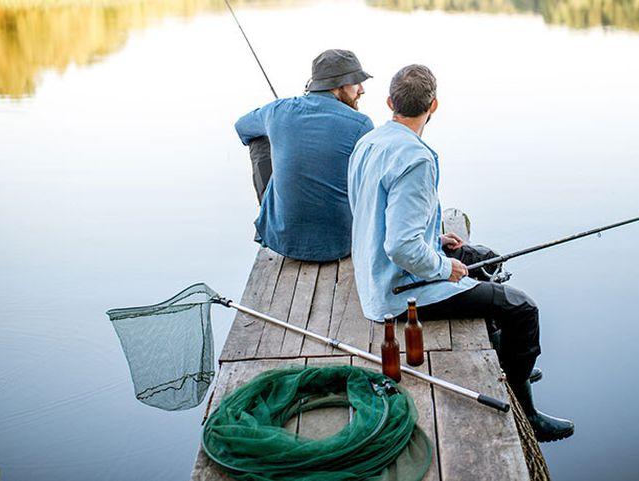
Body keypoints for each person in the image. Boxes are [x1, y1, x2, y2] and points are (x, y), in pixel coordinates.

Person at [347, 65, 574, 442]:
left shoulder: (370, 142)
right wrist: (443, 266)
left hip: (376, 272)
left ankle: (512, 361)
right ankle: (528, 414)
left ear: (390, 103)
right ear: (434, 105)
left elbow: (380, 213)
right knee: (522, 309)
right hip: (401, 292)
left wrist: (435, 237)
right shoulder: (416, 159)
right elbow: (401, 247)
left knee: (486, 257)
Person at [235, 49, 374, 262]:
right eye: (356, 82)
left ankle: (272, 213)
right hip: (342, 243)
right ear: (339, 86)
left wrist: (281, 133)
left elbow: (243, 127)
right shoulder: (362, 124)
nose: (361, 89)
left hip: (283, 240)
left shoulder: (277, 110)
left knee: (259, 138)